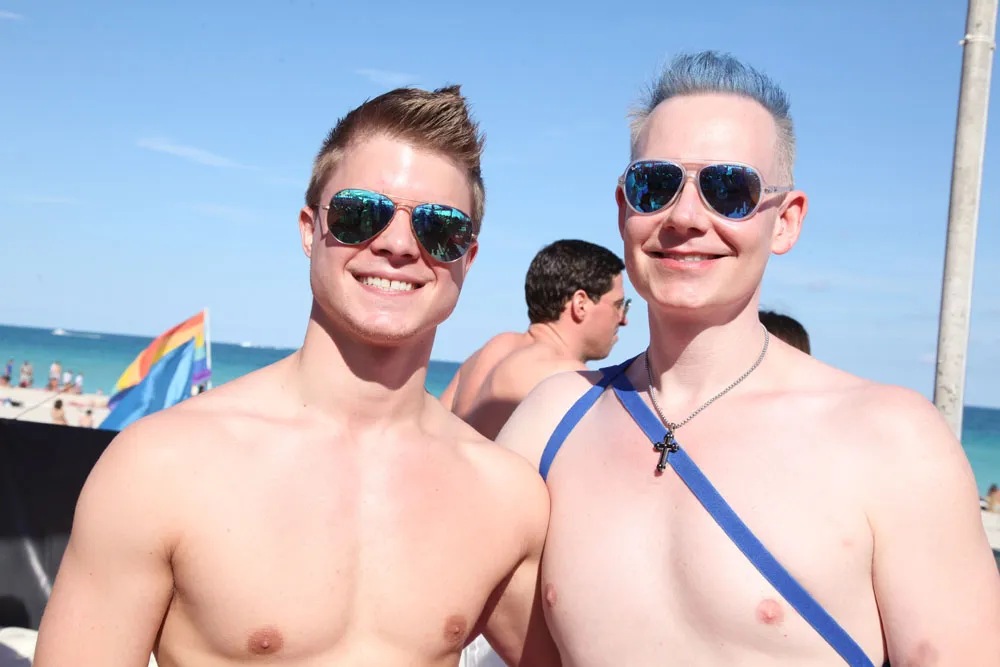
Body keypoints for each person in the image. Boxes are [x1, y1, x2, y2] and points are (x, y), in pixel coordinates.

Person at [495, 51, 1000, 666]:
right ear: (625, 209)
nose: (685, 217)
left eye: (729, 190)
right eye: (655, 185)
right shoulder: (552, 421)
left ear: (785, 222)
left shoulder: (890, 439)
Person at [34, 85, 556, 667]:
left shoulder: (505, 497)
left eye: (440, 228)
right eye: (361, 214)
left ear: (467, 258)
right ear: (310, 229)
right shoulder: (160, 467)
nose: (398, 245)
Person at [441, 239, 629, 438]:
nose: (623, 319)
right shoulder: (571, 378)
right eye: (618, 305)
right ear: (580, 304)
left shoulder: (488, 352)